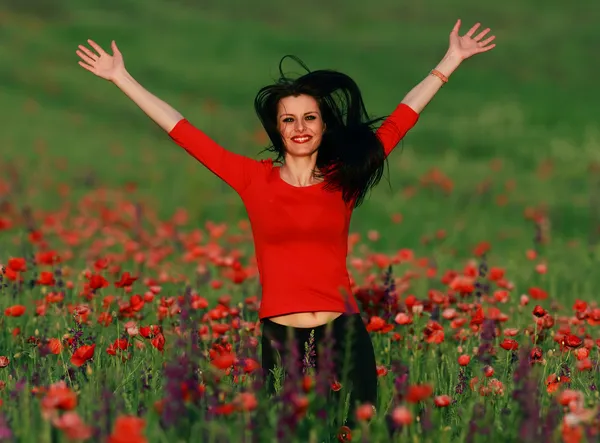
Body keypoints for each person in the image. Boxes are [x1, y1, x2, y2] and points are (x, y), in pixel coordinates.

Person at [76, 18, 495, 429]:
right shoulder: (252, 179)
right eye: (289, 119)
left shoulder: (342, 180)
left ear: (323, 125)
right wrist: (120, 77)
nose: (300, 128)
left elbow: (400, 119)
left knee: (355, 432)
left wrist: (451, 60)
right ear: (277, 128)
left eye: (310, 118)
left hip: (344, 335)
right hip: (281, 338)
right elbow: (182, 130)